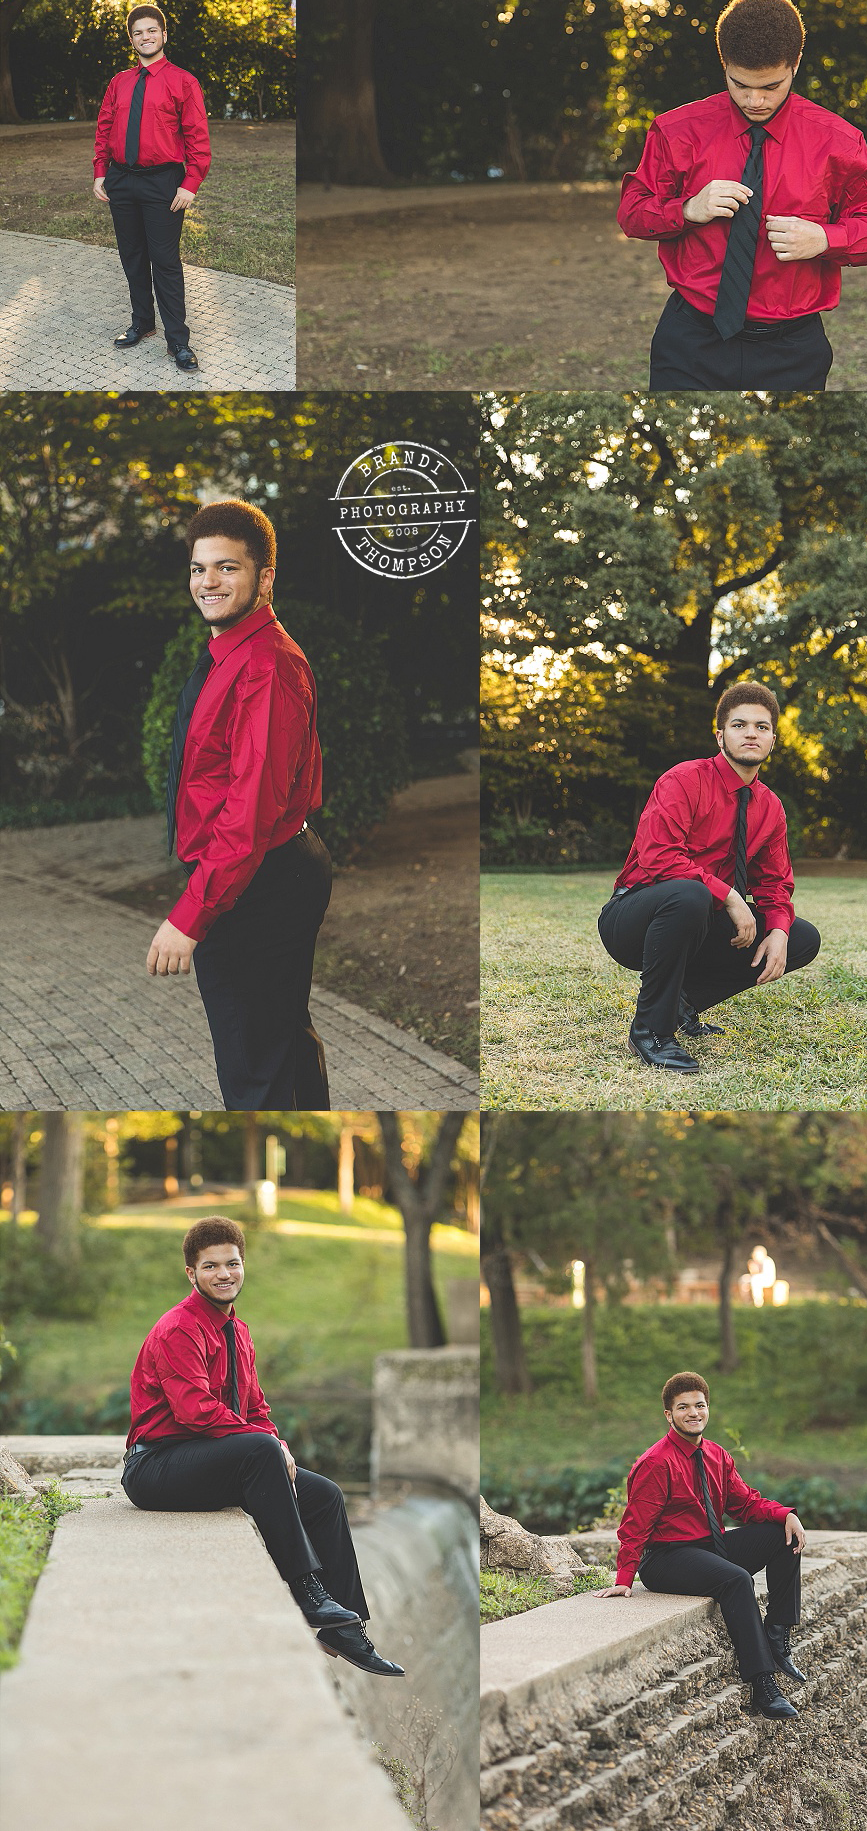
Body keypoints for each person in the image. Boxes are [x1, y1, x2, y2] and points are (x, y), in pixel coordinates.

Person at [122, 1215, 404, 1678]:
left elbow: (256, 1410)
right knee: (260, 1451)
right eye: (210, 1266)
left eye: (232, 1263)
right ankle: (307, 1592)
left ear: (243, 1265)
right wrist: (266, 1447)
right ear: (191, 1273)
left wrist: (277, 1445)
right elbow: (195, 1410)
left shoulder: (239, 1332)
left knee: (326, 1495)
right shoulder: (179, 1329)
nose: (224, 1274)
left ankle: (346, 1630)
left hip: (213, 1461)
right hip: (157, 1468)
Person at [618, 0, 867, 391]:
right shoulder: (677, 130)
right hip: (690, 343)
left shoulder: (838, 141)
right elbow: (632, 212)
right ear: (724, 66)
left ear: (795, 65)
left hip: (792, 350)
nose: (754, 100)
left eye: (771, 86)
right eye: (740, 84)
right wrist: (686, 209)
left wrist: (825, 238)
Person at [145, 499, 333, 1108]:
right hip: (256, 874)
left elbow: (248, 815)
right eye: (199, 569)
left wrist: (189, 916)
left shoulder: (267, 665)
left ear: (264, 577)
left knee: (255, 1064)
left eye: (227, 568)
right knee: (278, 1046)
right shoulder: (230, 651)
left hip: (261, 880)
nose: (208, 582)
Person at [597, 681, 821, 1074]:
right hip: (635, 916)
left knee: (802, 937)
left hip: (699, 921)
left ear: (773, 740)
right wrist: (732, 898)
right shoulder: (683, 780)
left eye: (762, 727)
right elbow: (659, 857)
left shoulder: (769, 807)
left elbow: (775, 884)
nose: (751, 733)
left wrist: (780, 931)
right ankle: (650, 1031)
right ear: (720, 735)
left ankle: (684, 1002)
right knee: (690, 894)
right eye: (739, 725)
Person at [592, 1371, 806, 1721]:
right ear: (669, 1414)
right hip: (667, 1559)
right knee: (737, 1579)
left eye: (700, 1405)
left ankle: (777, 1634)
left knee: (782, 1536)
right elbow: (635, 1525)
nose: (693, 1413)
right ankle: (763, 1685)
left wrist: (785, 1515)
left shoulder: (717, 1455)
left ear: (708, 1409)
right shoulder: (655, 1463)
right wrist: (624, 1578)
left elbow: (745, 1504)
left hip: (709, 1547)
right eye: (683, 1407)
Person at [94, 4, 210, 373]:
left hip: (164, 181)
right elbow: (104, 128)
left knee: (165, 262)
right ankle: (143, 323)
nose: (146, 37)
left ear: (164, 34)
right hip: (121, 180)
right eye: (138, 32)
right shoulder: (119, 82)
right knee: (132, 256)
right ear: (131, 39)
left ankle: (178, 341)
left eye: (152, 30)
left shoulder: (183, 81)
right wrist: (101, 172)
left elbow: (197, 137)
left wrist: (190, 183)